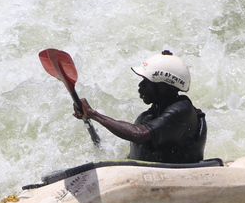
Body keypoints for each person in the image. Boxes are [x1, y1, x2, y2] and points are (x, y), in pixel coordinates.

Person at [73, 50, 207, 164]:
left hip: (178, 178)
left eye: (146, 82)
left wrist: (93, 114)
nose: (140, 86)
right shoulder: (151, 115)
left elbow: (139, 135)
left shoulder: (181, 111)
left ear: (164, 87)